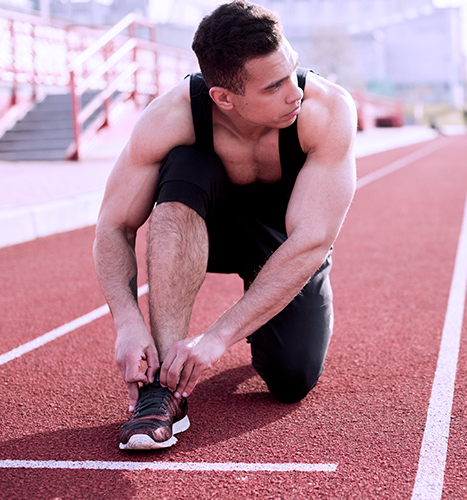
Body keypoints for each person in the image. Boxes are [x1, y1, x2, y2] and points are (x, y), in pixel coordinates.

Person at [93, 0, 357, 450]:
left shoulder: (325, 111)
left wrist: (218, 336)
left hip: (284, 245)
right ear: (224, 98)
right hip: (200, 232)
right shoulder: (171, 117)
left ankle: (258, 315)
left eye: (292, 70)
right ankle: (161, 391)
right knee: (186, 167)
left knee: (292, 378)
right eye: (273, 86)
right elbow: (113, 227)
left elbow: (312, 241)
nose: (294, 92)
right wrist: (126, 321)